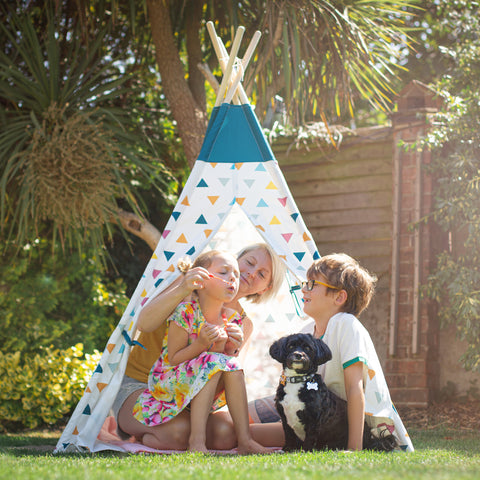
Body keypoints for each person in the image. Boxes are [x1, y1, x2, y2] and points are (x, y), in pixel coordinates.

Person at [112, 243, 285, 450]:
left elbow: (221, 379)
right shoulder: (189, 286)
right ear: (236, 259)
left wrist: (229, 350)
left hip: (189, 404)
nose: (251, 273)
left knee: (225, 433)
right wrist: (183, 288)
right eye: (249, 263)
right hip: (142, 387)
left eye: (262, 274)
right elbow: (144, 324)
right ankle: (165, 436)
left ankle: (303, 433)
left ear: (264, 288)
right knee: (179, 432)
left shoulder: (242, 323)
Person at [248, 253, 414, 451]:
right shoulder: (306, 331)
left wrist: (354, 449)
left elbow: (355, 389)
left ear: (339, 296)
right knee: (228, 420)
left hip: (329, 421)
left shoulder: (346, 325)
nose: (304, 289)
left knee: (227, 432)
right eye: (305, 283)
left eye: (312, 284)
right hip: (301, 403)